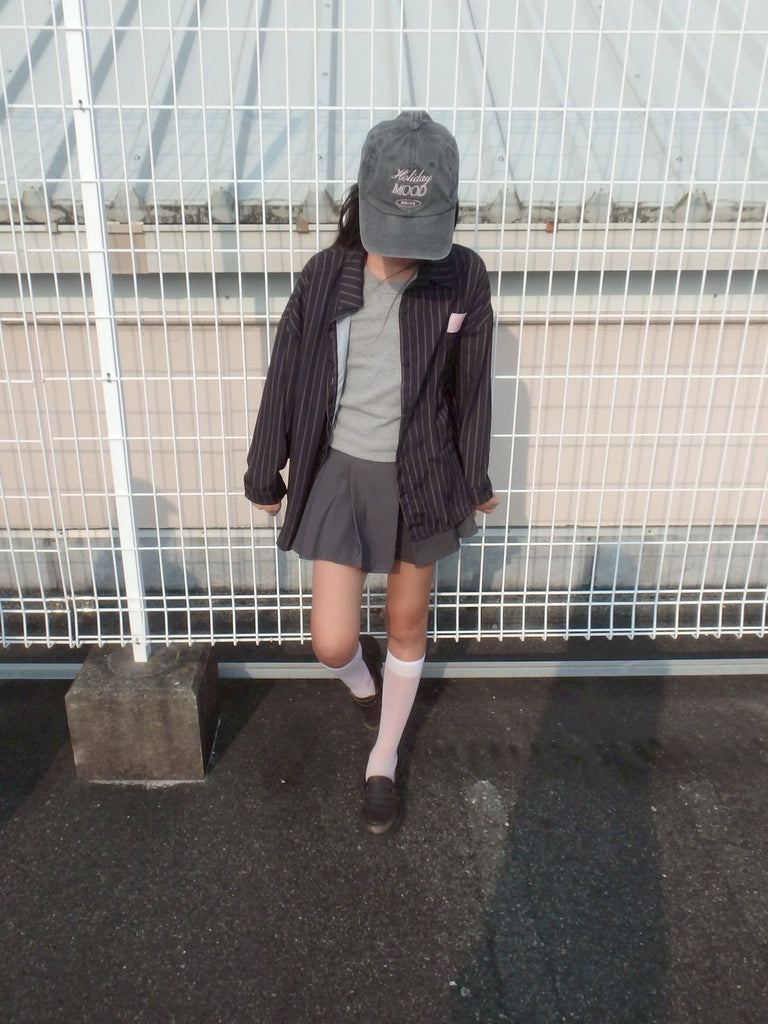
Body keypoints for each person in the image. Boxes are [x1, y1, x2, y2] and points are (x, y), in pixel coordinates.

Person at [244, 110, 498, 835]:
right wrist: (265, 472)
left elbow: (471, 390)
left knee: (408, 622)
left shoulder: (463, 277)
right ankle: (365, 687)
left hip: (423, 475)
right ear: (365, 196)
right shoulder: (326, 276)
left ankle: (383, 757)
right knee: (332, 641)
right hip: (342, 473)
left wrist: (475, 481)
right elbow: (286, 376)